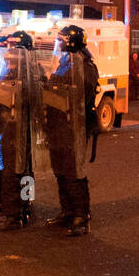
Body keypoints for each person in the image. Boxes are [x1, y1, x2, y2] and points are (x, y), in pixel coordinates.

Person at [43, 24, 99, 236]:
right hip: (60, 124)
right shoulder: (66, 63)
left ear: (70, 43)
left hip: (74, 124)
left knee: (74, 170)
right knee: (61, 170)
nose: (57, 45)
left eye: (60, 41)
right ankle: (67, 211)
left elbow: (77, 96)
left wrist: (52, 90)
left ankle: (81, 215)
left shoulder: (84, 66)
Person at [0, 30, 44, 230]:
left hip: (23, 129)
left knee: (20, 171)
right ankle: (19, 206)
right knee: (18, 171)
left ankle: (18, 211)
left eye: (13, 47)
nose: (8, 51)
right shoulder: (7, 69)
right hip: (9, 129)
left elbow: (36, 100)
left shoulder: (33, 73)